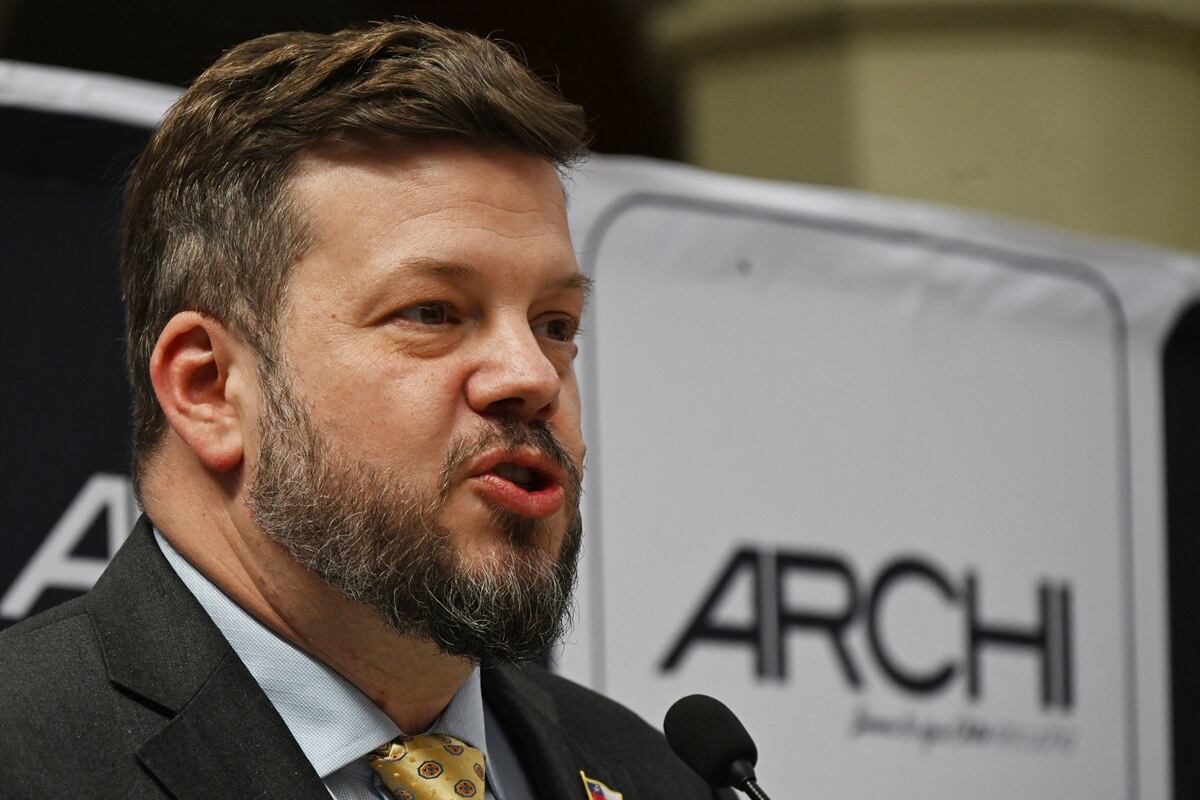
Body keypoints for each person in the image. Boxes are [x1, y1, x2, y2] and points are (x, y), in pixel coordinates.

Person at [0, 20, 716, 800]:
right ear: (209, 388)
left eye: (555, 325)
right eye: (433, 312)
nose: (531, 376)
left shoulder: (660, 778)